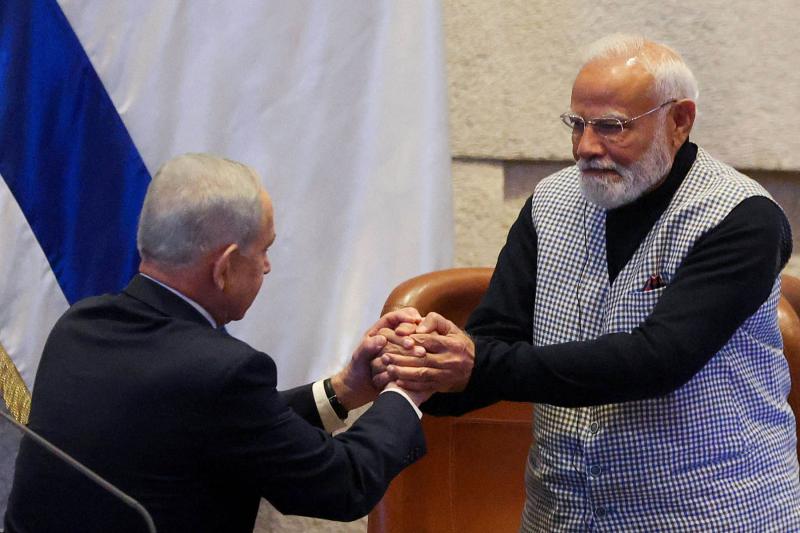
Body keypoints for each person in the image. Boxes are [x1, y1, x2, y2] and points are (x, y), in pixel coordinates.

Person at [375, 34, 800, 530]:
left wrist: (476, 364)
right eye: (576, 124)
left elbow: (657, 361)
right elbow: (495, 339)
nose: (586, 147)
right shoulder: (551, 202)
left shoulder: (743, 217)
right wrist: (428, 370)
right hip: (560, 515)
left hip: (708, 514)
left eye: (612, 127)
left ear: (680, 120)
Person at [5, 153, 429, 533]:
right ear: (224, 266)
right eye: (264, 250)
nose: (267, 266)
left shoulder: (79, 327)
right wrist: (406, 391)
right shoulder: (220, 372)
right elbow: (342, 485)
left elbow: (222, 425)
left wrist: (343, 390)